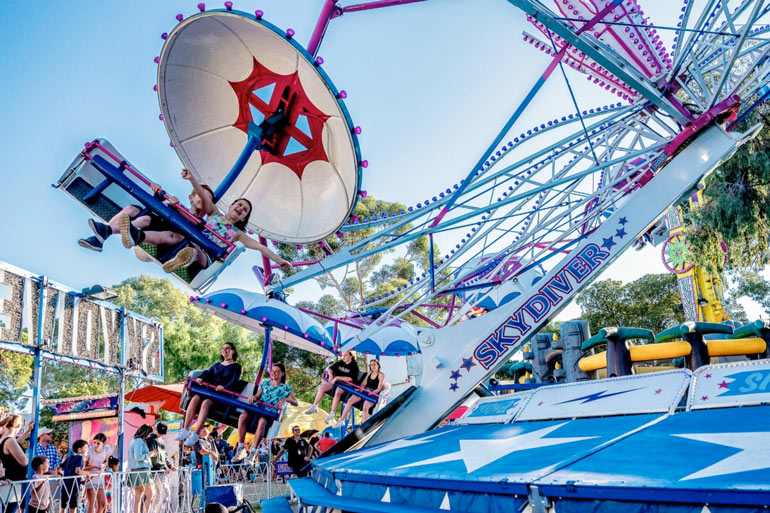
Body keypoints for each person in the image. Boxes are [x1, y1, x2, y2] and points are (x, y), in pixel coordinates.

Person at [160, 169, 291, 273]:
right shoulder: (214, 213)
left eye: (244, 210)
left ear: (243, 217)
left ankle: (184, 259)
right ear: (230, 206)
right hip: (195, 242)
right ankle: (147, 238)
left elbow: (260, 247)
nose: (240, 208)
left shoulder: (238, 234)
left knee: (196, 254)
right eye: (239, 204)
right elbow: (205, 196)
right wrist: (192, 179)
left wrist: (279, 260)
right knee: (177, 239)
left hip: (207, 253)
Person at [78, 179, 215, 253]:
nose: (203, 200)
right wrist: (157, 194)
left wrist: (176, 208)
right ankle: (105, 232)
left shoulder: (201, 221)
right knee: (133, 210)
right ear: (191, 198)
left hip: (171, 234)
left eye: (207, 199)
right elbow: (159, 206)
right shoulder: (179, 205)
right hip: (157, 222)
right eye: (201, 196)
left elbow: (194, 222)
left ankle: (127, 234)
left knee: (169, 234)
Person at [177, 342, 242, 447]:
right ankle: (185, 428)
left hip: (221, 396)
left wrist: (224, 387)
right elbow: (207, 373)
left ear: (233, 351)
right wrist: (200, 378)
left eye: (228, 348)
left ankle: (196, 433)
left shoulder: (236, 367)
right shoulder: (216, 365)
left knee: (206, 403)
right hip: (210, 392)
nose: (225, 350)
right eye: (223, 348)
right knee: (195, 398)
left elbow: (234, 381)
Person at [233, 363, 297, 462]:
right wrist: (253, 397)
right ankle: (241, 447)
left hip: (269, 411)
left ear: (282, 374)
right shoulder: (265, 383)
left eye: (276, 371)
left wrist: (285, 399)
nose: (274, 373)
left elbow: (295, 402)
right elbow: (257, 396)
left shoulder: (285, 388)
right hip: (258, 406)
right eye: (272, 371)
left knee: (262, 422)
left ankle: (253, 452)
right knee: (243, 416)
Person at [305, 350, 360, 423]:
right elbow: (330, 369)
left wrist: (337, 378)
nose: (344, 356)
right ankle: (314, 406)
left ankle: (332, 414)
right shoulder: (340, 362)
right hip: (335, 382)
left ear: (351, 356)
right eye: (343, 355)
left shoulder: (354, 366)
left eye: (346, 355)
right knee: (323, 387)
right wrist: (331, 375)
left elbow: (351, 378)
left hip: (346, 385)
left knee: (338, 392)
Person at [334, 358, 386, 428]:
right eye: (371, 365)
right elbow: (364, 383)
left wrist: (371, 392)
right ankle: (342, 420)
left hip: (373, 394)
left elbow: (379, 388)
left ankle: (364, 425)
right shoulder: (369, 373)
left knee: (365, 407)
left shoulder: (381, 375)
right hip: (365, 391)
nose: (372, 366)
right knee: (349, 401)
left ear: (378, 366)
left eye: (374, 365)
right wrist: (361, 389)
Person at [0, 415, 30, 513]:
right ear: (17, 425)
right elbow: (24, 462)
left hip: (10, 478)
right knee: (10, 509)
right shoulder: (10, 440)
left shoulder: (4, 439)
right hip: (15, 481)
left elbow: (18, 443)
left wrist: (27, 432)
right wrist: (30, 458)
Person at [127, 425, 155, 513]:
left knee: (138, 497)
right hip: (142, 470)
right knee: (151, 494)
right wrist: (149, 455)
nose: (149, 435)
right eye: (149, 433)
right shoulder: (139, 441)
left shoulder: (135, 441)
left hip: (136, 471)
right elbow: (138, 456)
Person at [147, 423, 172, 513]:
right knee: (165, 493)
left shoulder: (161, 440)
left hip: (160, 470)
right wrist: (166, 467)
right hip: (156, 470)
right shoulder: (152, 439)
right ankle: (157, 511)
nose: (162, 434)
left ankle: (155, 511)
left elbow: (164, 455)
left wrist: (170, 466)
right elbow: (154, 457)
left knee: (158, 494)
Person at [84, 433, 112, 513]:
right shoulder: (89, 450)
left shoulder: (106, 449)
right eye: (94, 442)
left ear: (103, 444)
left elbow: (106, 461)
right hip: (91, 478)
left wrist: (104, 465)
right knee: (91, 504)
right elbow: (84, 467)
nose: (95, 445)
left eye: (98, 443)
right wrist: (94, 467)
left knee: (103, 504)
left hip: (100, 478)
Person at [61, 439, 89, 513]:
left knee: (63, 507)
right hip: (74, 485)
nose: (87, 449)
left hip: (65, 484)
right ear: (79, 449)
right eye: (86, 447)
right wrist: (87, 473)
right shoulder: (79, 457)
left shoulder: (70, 458)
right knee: (73, 507)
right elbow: (78, 471)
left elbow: (60, 468)